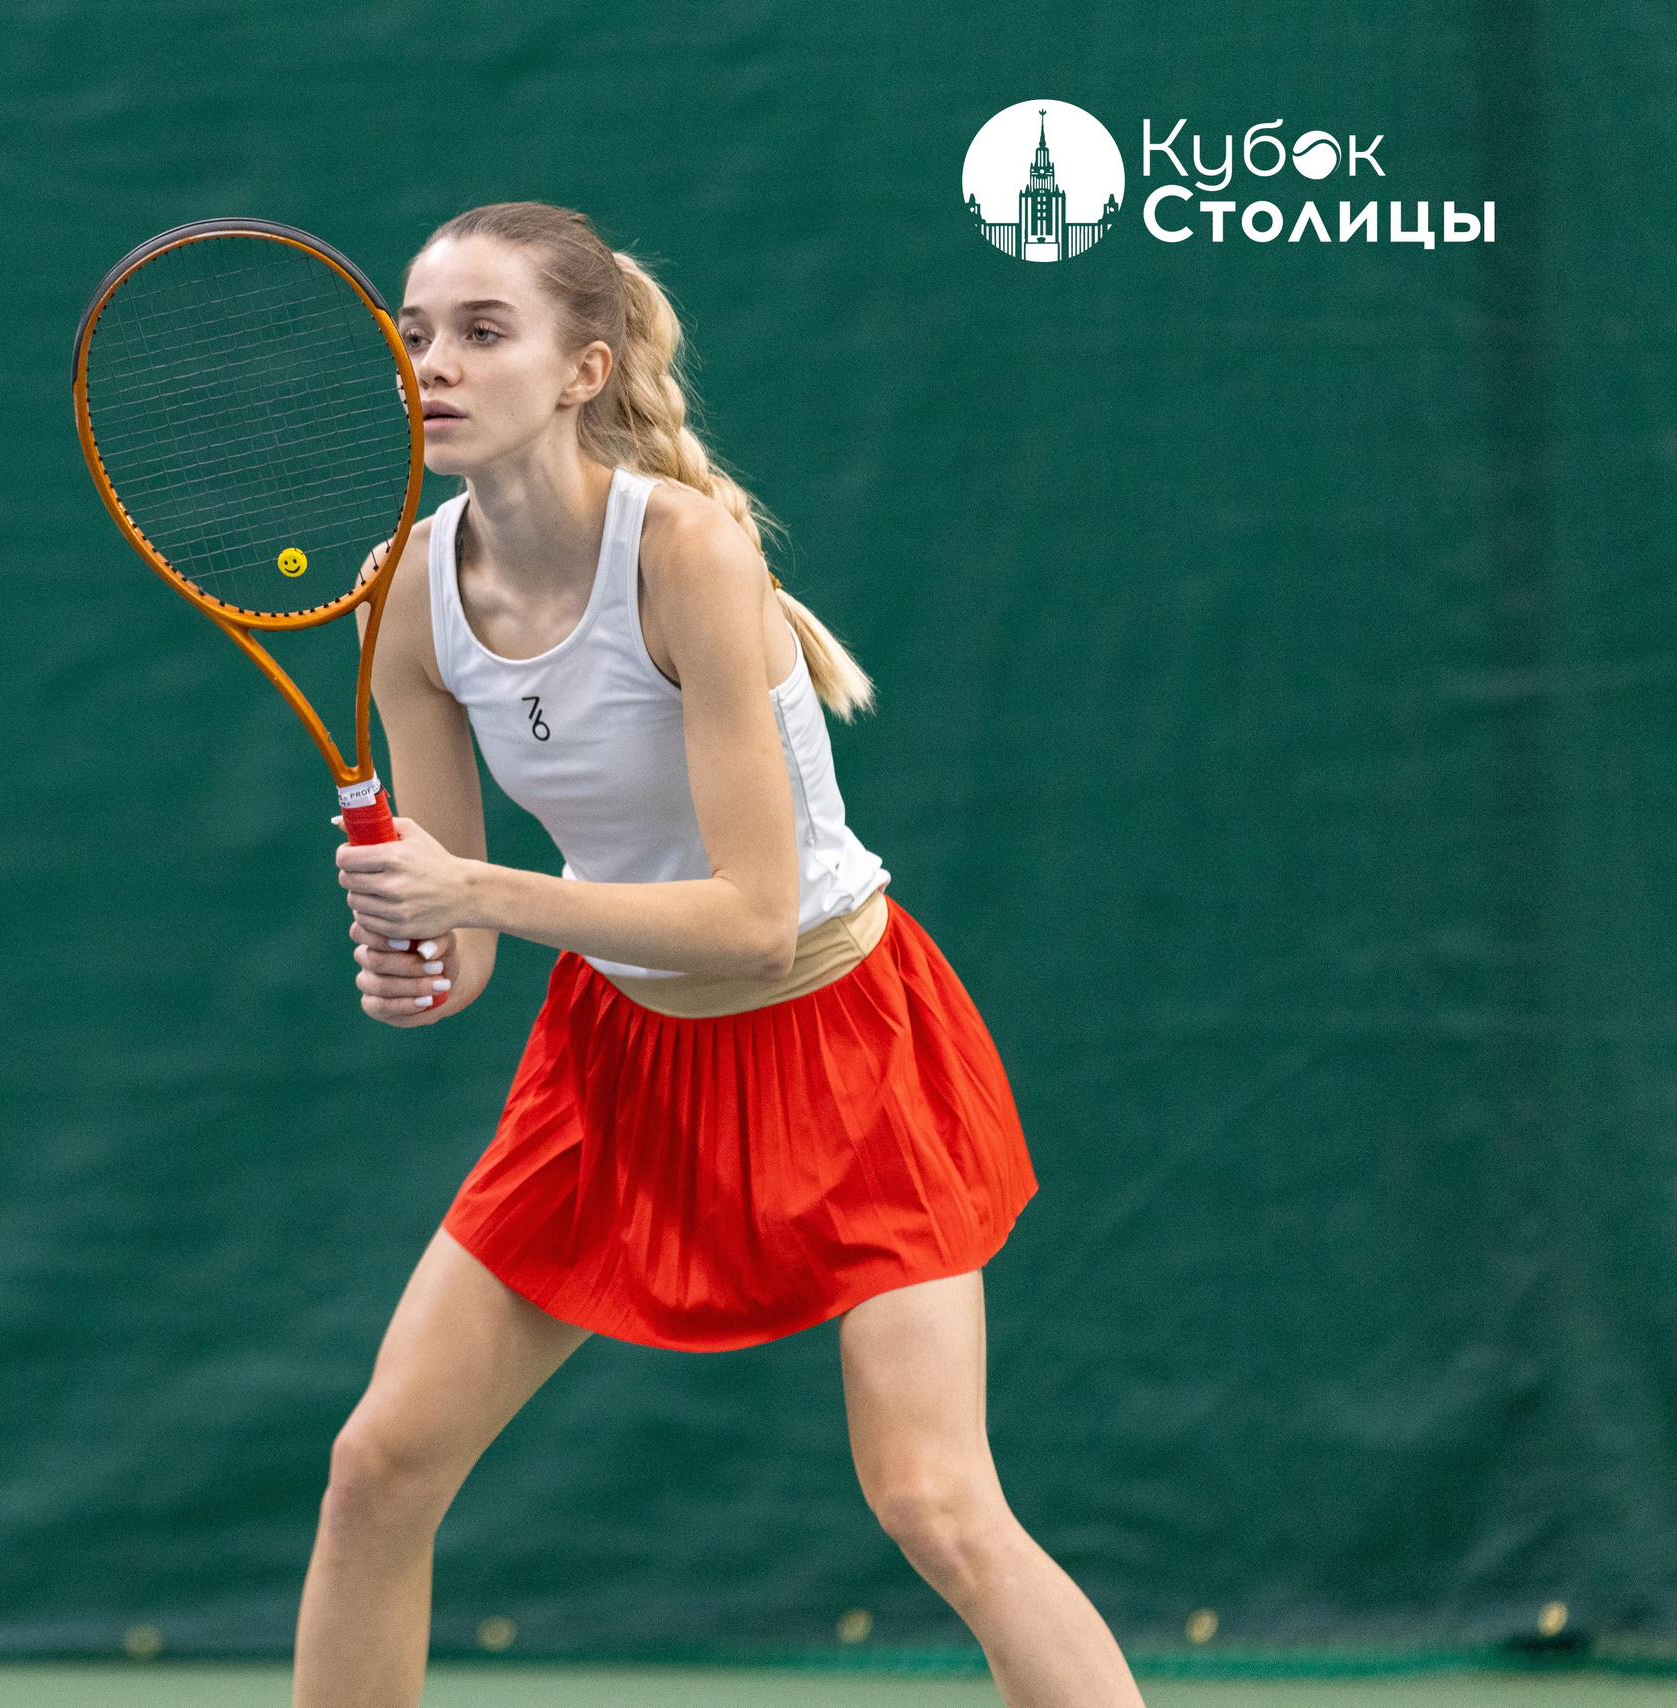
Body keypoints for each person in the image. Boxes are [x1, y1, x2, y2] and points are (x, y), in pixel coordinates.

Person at [303, 202, 1143, 1708]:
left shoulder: (689, 551)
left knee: (937, 1505)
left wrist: (472, 891)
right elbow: (465, 948)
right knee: (379, 1466)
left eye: (482, 332)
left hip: (844, 1044)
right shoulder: (406, 589)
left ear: (584, 370)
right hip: (616, 1061)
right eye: (415, 334)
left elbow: (753, 917)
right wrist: (417, 958)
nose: (433, 365)